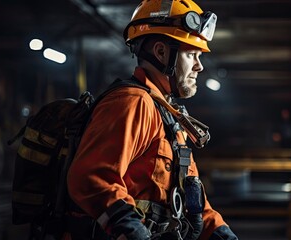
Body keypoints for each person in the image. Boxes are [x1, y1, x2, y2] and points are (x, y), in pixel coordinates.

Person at [66, 0, 238, 240]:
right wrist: (132, 230)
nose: (199, 66)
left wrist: (220, 233)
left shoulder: (169, 116)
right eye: (192, 54)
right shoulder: (132, 103)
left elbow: (193, 199)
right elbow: (91, 178)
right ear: (160, 52)